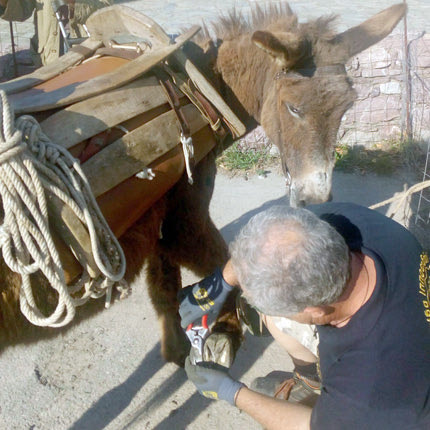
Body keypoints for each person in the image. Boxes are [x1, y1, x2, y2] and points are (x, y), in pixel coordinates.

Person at [179, 202, 430, 430]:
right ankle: (311, 380)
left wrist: (230, 391)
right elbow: (273, 240)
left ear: (315, 311)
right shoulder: (356, 225)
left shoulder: (366, 386)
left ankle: (320, 393)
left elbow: (307, 425)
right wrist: (216, 286)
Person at [0, 0, 112, 67]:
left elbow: (107, 7)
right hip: (49, 54)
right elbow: (23, 10)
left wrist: (74, 4)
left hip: (86, 49)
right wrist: (5, 3)